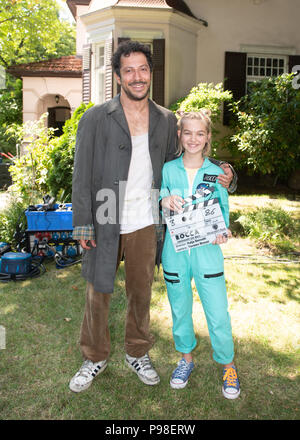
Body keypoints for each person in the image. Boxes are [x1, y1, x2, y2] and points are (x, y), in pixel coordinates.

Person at [69, 41, 236, 393]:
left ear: (150, 73)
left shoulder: (166, 119)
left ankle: (137, 352)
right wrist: (83, 221)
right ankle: (94, 356)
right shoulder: (96, 117)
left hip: (147, 218)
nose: (136, 76)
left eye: (142, 69)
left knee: (141, 293)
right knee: (98, 291)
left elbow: (190, 159)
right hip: (105, 212)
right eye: (128, 70)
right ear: (117, 76)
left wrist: (226, 174)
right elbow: (81, 172)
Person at [160, 110, 240, 399]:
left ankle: (228, 365)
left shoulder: (217, 172)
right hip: (175, 251)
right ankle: (185, 359)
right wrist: (164, 200)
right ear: (179, 135)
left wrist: (223, 229)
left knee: (217, 311)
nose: (193, 138)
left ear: (207, 138)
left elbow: (222, 206)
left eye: (200, 133)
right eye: (188, 132)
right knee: (180, 308)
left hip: (207, 251)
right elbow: (161, 200)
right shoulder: (168, 169)